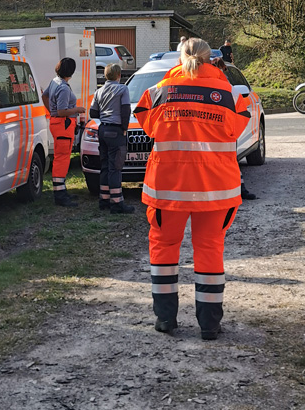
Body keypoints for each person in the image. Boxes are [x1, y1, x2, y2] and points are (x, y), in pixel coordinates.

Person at [135, 37, 251, 340]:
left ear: (179, 57)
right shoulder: (227, 94)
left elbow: (145, 122)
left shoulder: (158, 92)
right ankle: (210, 325)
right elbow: (238, 128)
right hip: (216, 190)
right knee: (210, 251)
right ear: (210, 58)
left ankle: (165, 320)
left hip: (167, 189)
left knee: (163, 249)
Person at [89, 64, 134, 214]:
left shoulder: (99, 91)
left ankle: (104, 199)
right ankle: (116, 203)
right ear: (119, 75)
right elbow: (126, 110)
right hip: (116, 130)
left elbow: (93, 112)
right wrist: (124, 128)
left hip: (102, 130)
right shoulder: (122, 89)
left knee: (105, 165)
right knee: (116, 167)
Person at [211, 57, 257, 200]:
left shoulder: (223, 82)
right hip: (220, 127)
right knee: (228, 162)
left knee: (230, 161)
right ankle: (236, 189)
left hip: (222, 127)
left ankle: (239, 189)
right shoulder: (215, 81)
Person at [42, 58, 85, 207]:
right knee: (62, 159)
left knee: (62, 158)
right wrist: (77, 110)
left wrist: (51, 113)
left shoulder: (55, 81)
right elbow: (62, 111)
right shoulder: (64, 88)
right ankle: (60, 195)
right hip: (63, 125)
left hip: (58, 124)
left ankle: (61, 190)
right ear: (71, 71)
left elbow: (45, 96)